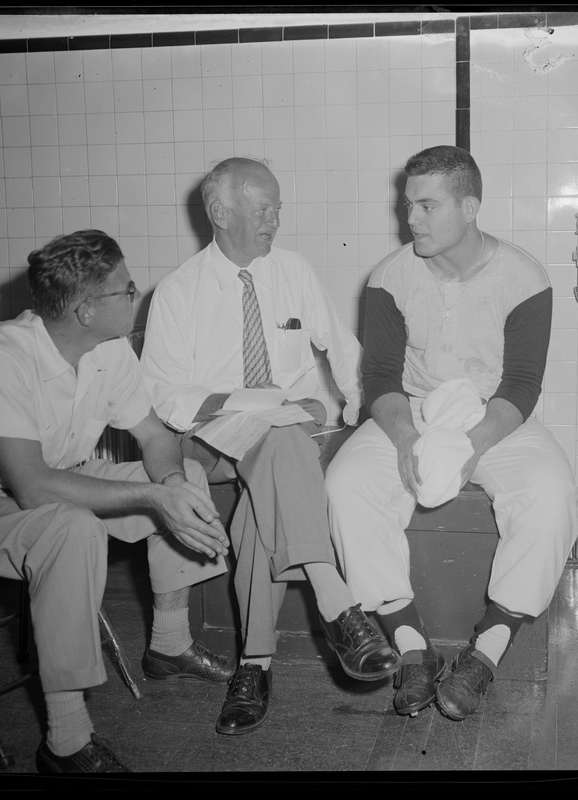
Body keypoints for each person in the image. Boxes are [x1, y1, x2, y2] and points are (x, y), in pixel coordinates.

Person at [0, 230, 237, 774]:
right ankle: (65, 741)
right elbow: (33, 487)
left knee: (187, 474)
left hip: (54, 482)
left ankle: (169, 646)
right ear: (85, 310)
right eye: (126, 291)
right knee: (73, 526)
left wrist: (171, 483)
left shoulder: (109, 348)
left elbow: (154, 437)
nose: (136, 296)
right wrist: (154, 495)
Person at [140, 157, 400, 736]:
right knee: (275, 434)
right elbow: (164, 392)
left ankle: (254, 666)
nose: (275, 221)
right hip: (207, 434)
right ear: (219, 212)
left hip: (286, 433)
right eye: (263, 209)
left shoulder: (294, 271)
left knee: (275, 462)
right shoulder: (179, 291)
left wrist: (361, 414)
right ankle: (337, 604)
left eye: (278, 209)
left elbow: (345, 349)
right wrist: (244, 402)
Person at [324, 146, 578, 722]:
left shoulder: (524, 276)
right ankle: (411, 645)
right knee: (345, 484)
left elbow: (521, 384)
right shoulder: (391, 275)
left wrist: (472, 446)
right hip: (410, 408)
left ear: (469, 206)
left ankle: (486, 650)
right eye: (406, 204)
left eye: (425, 205)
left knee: (551, 493)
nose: (409, 218)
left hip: (493, 413)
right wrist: (407, 439)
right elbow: (381, 378)